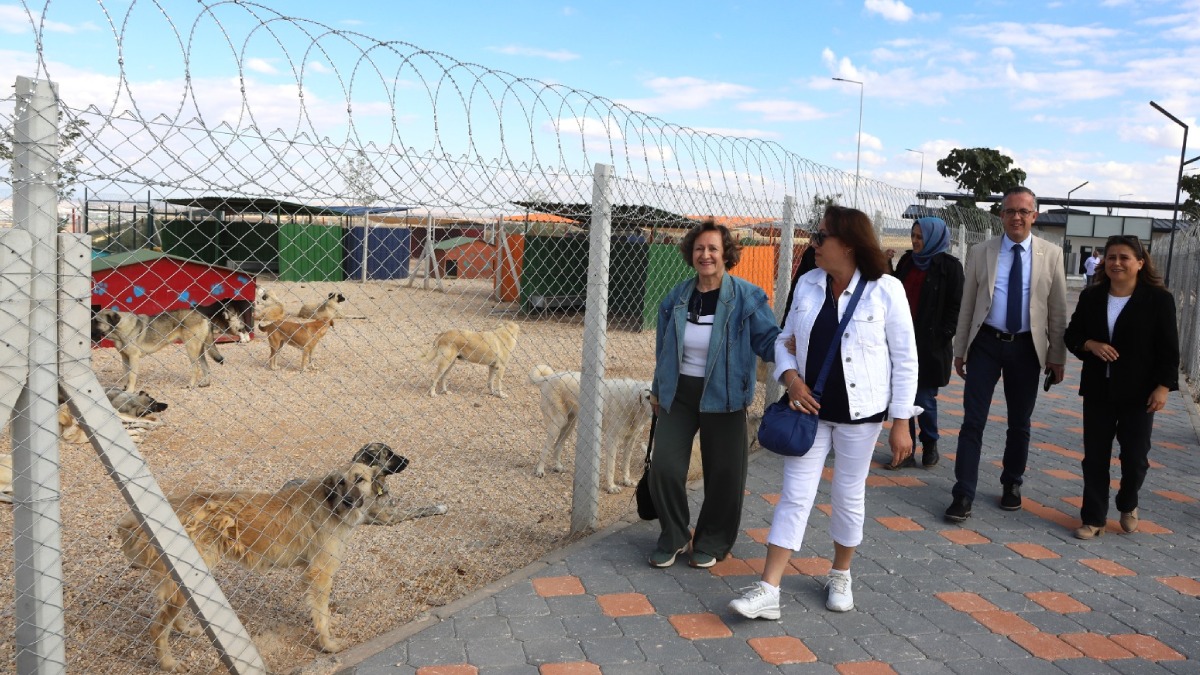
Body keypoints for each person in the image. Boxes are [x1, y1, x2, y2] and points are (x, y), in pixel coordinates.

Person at [728, 205, 919, 619]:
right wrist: (791, 378)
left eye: (820, 237)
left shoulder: (886, 289)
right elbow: (784, 339)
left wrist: (902, 421)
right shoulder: (809, 283)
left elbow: (905, 359)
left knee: (848, 495)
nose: (813, 243)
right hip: (807, 411)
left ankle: (841, 574)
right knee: (794, 496)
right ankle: (769, 589)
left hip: (862, 414)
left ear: (847, 244)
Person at [647, 219, 781, 569]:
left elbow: (769, 341)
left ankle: (712, 540)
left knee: (725, 474)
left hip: (724, 396)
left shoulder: (747, 297)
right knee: (664, 467)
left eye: (712, 249)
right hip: (679, 394)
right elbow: (663, 350)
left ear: (726, 254)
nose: (705, 255)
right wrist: (658, 391)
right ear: (690, 254)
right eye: (699, 249)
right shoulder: (677, 298)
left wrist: (793, 350)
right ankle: (674, 535)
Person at [945, 186, 1068, 523]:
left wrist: (1057, 356)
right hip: (986, 343)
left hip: (1027, 347)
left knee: (1019, 422)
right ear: (1001, 215)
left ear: (1034, 216)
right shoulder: (981, 252)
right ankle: (963, 492)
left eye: (1023, 211)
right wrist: (960, 349)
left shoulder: (1051, 254)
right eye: (1010, 211)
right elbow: (968, 303)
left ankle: (1012, 482)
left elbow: (1057, 310)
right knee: (973, 421)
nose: (1017, 217)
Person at [1063, 236, 1178, 540]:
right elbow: (1072, 335)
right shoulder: (1092, 297)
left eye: (1124, 257)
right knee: (1095, 457)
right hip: (1098, 391)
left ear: (1140, 263)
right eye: (1111, 257)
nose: (1116, 263)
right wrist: (1090, 344)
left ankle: (1128, 502)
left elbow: (1169, 349)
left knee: (1136, 458)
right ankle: (1093, 518)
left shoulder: (1158, 300)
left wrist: (1163, 387)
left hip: (1140, 393)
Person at [887, 217, 964, 469]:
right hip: (902, 341)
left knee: (924, 399)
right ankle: (906, 452)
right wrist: (886, 264)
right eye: (913, 236)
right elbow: (893, 289)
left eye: (920, 237)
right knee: (902, 398)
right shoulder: (908, 261)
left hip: (930, 346)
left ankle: (930, 444)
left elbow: (956, 306)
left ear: (934, 238)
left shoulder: (949, 267)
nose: (915, 241)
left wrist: (942, 335)